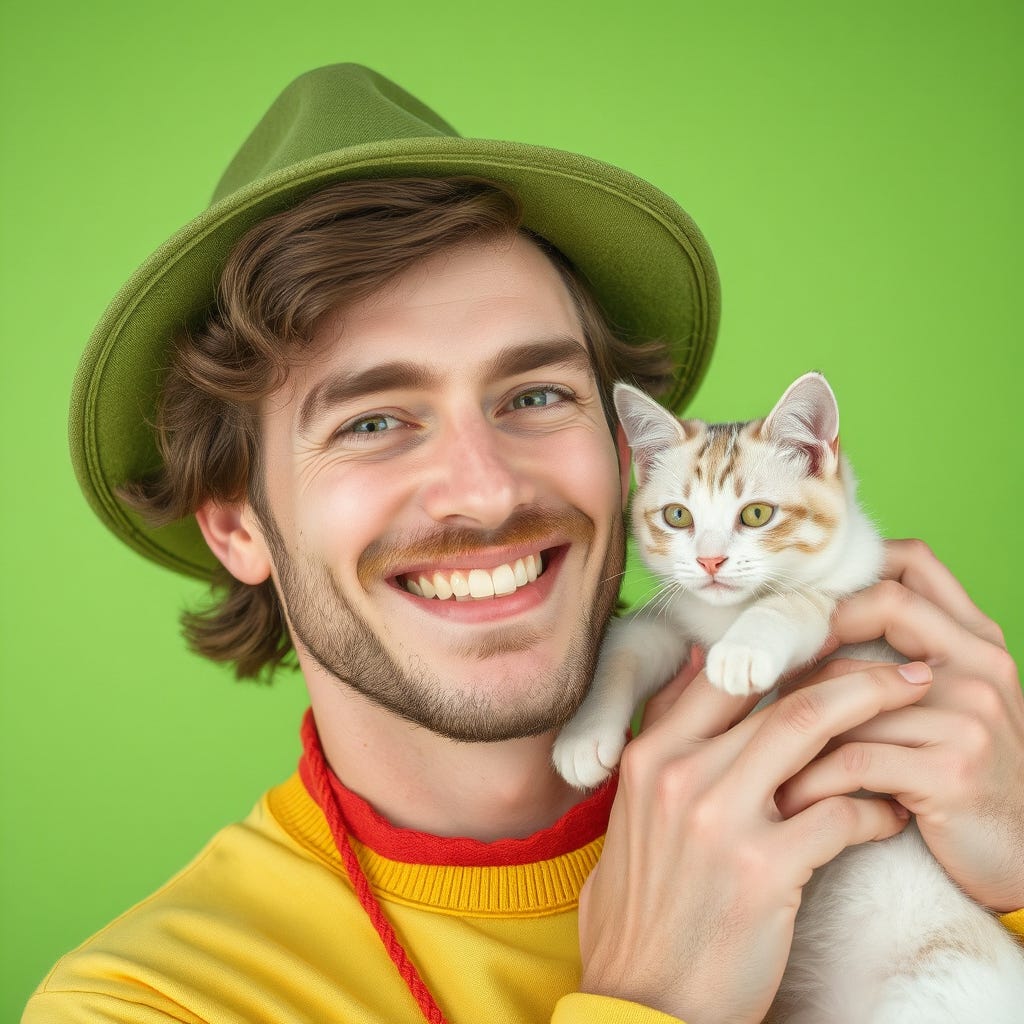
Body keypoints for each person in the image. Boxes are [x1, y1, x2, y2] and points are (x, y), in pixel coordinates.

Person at [26, 64, 1024, 1024]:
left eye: (536, 395)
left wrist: (1011, 884)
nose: (487, 488)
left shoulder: (897, 797)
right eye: (373, 421)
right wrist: (649, 1008)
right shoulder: (142, 1002)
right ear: (237, 522)